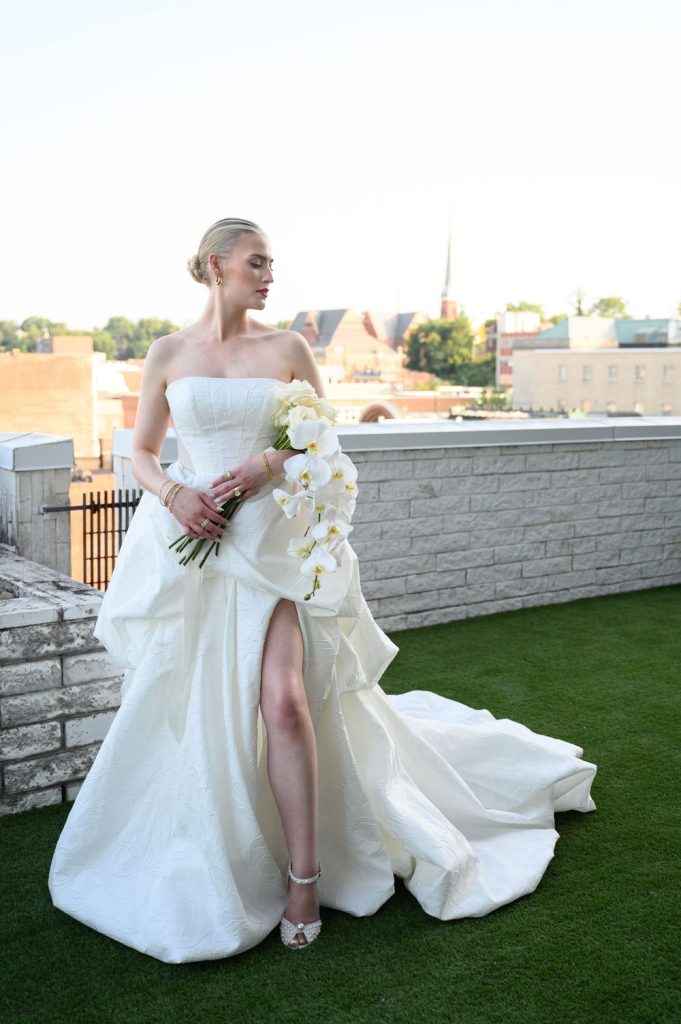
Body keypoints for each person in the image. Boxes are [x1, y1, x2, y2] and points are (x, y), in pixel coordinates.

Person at [48, 217, 597, 962]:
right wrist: (176, 497)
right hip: (198, 539)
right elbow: (143, 452)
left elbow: (318, 433)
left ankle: (303, 878)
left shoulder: (288, 347)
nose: (269, 276)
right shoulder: (168, 352)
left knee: (282, 697)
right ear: (216, 266)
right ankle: (214, 841)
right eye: (256, 263)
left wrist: (265, 467)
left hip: (271, 541)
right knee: (204, 702)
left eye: (271, 264)